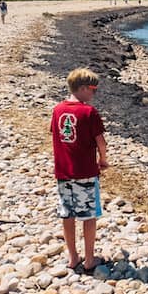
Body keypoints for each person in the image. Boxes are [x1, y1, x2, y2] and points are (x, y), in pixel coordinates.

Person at [50, 67, 110, 272]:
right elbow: (100, 141)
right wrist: (103, 159)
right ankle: (89, 259)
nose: (95, 93)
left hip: (63, 172)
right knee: (88, 215)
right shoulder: (89, 112)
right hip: (84, 172)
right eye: (93, 89)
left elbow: (56, 136)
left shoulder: (58, 109)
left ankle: (73, 256)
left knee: (67, 214)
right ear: (83, 88)